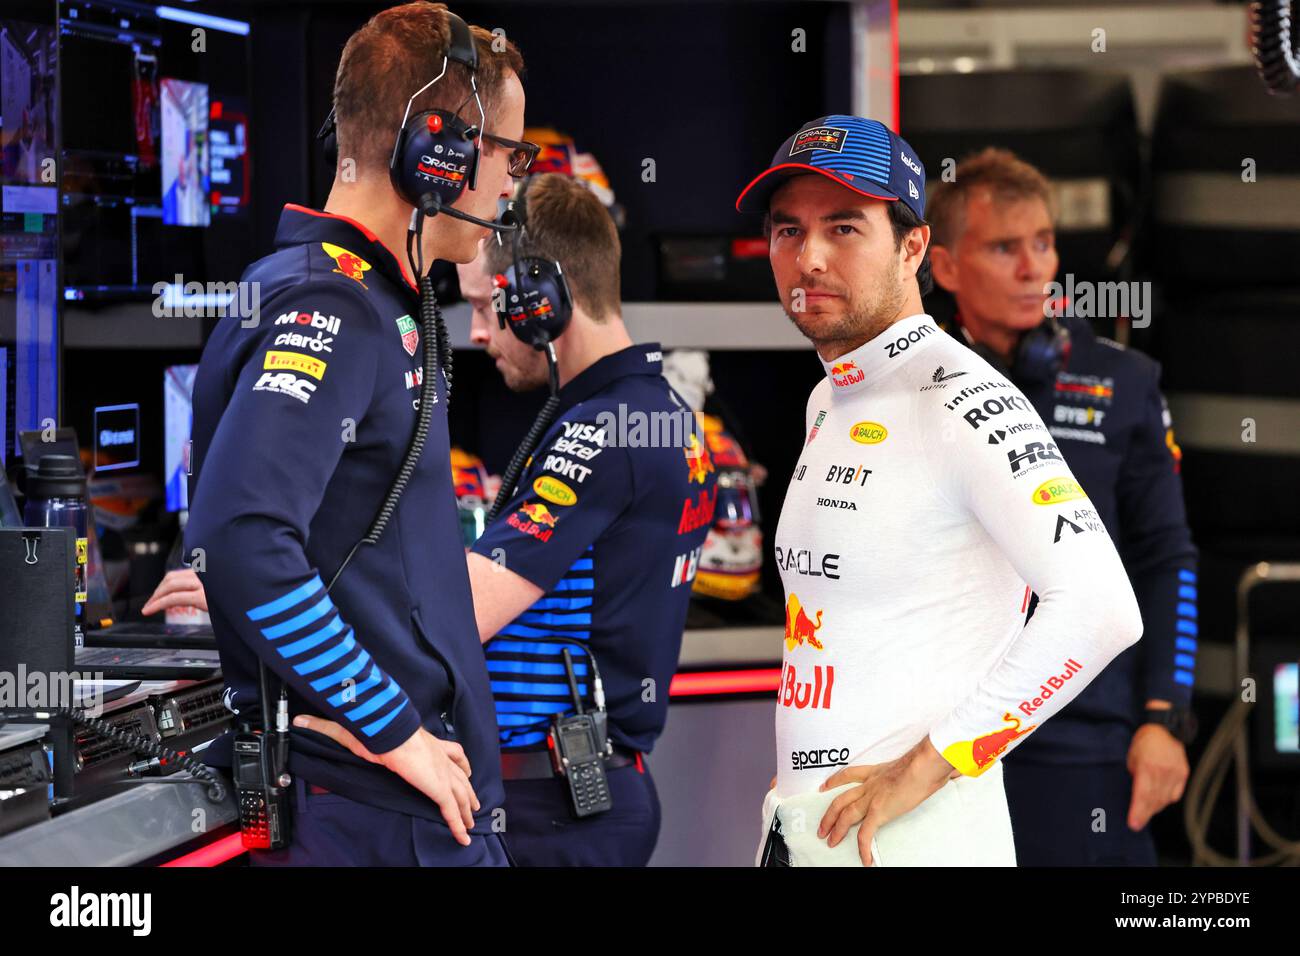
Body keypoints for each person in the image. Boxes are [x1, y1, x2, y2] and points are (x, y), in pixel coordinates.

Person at [735, 114, 1144, 866]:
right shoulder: (830, 398)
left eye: (845, 228)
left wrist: (929, 766)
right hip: (815, 830)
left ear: (913, 248)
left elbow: (1102, 608)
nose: (810, 258)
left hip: (916, 839)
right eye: (788, 231)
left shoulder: (959, 398)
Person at [184, 2, 529, 866]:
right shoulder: (328, 303)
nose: (514, 181)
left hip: (396, 811)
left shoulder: (355, 294)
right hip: (380, 815)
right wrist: (393, 725)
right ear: (437, 152)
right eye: (509, 152)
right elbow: (240, 534)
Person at [926, 147, 1198, 865]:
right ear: (947, 267)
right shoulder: (907, 383)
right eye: (1004, 248)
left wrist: (1165, 719)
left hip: (1084, 743)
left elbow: (1167, 556)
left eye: (1043, 244)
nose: (1034, 270)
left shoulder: (1124, 380)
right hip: (935, 739)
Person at [454, 172, 718, 865]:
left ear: (540, 298)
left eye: (485, 306)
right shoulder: (660, 416)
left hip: (555, 809)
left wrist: (274, 588)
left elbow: (462, 607)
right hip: (580, 798)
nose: (478, 333)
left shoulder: (606, 433)